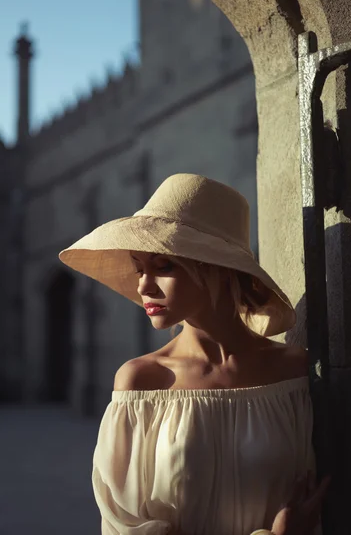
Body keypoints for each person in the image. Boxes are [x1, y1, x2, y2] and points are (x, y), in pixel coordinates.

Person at [59, 173, 331, 535]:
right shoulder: (143, 383)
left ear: (216, 266)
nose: (143, 285)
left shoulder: (292, 370)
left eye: (163, 266)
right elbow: (124, 527)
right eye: (139, 268)